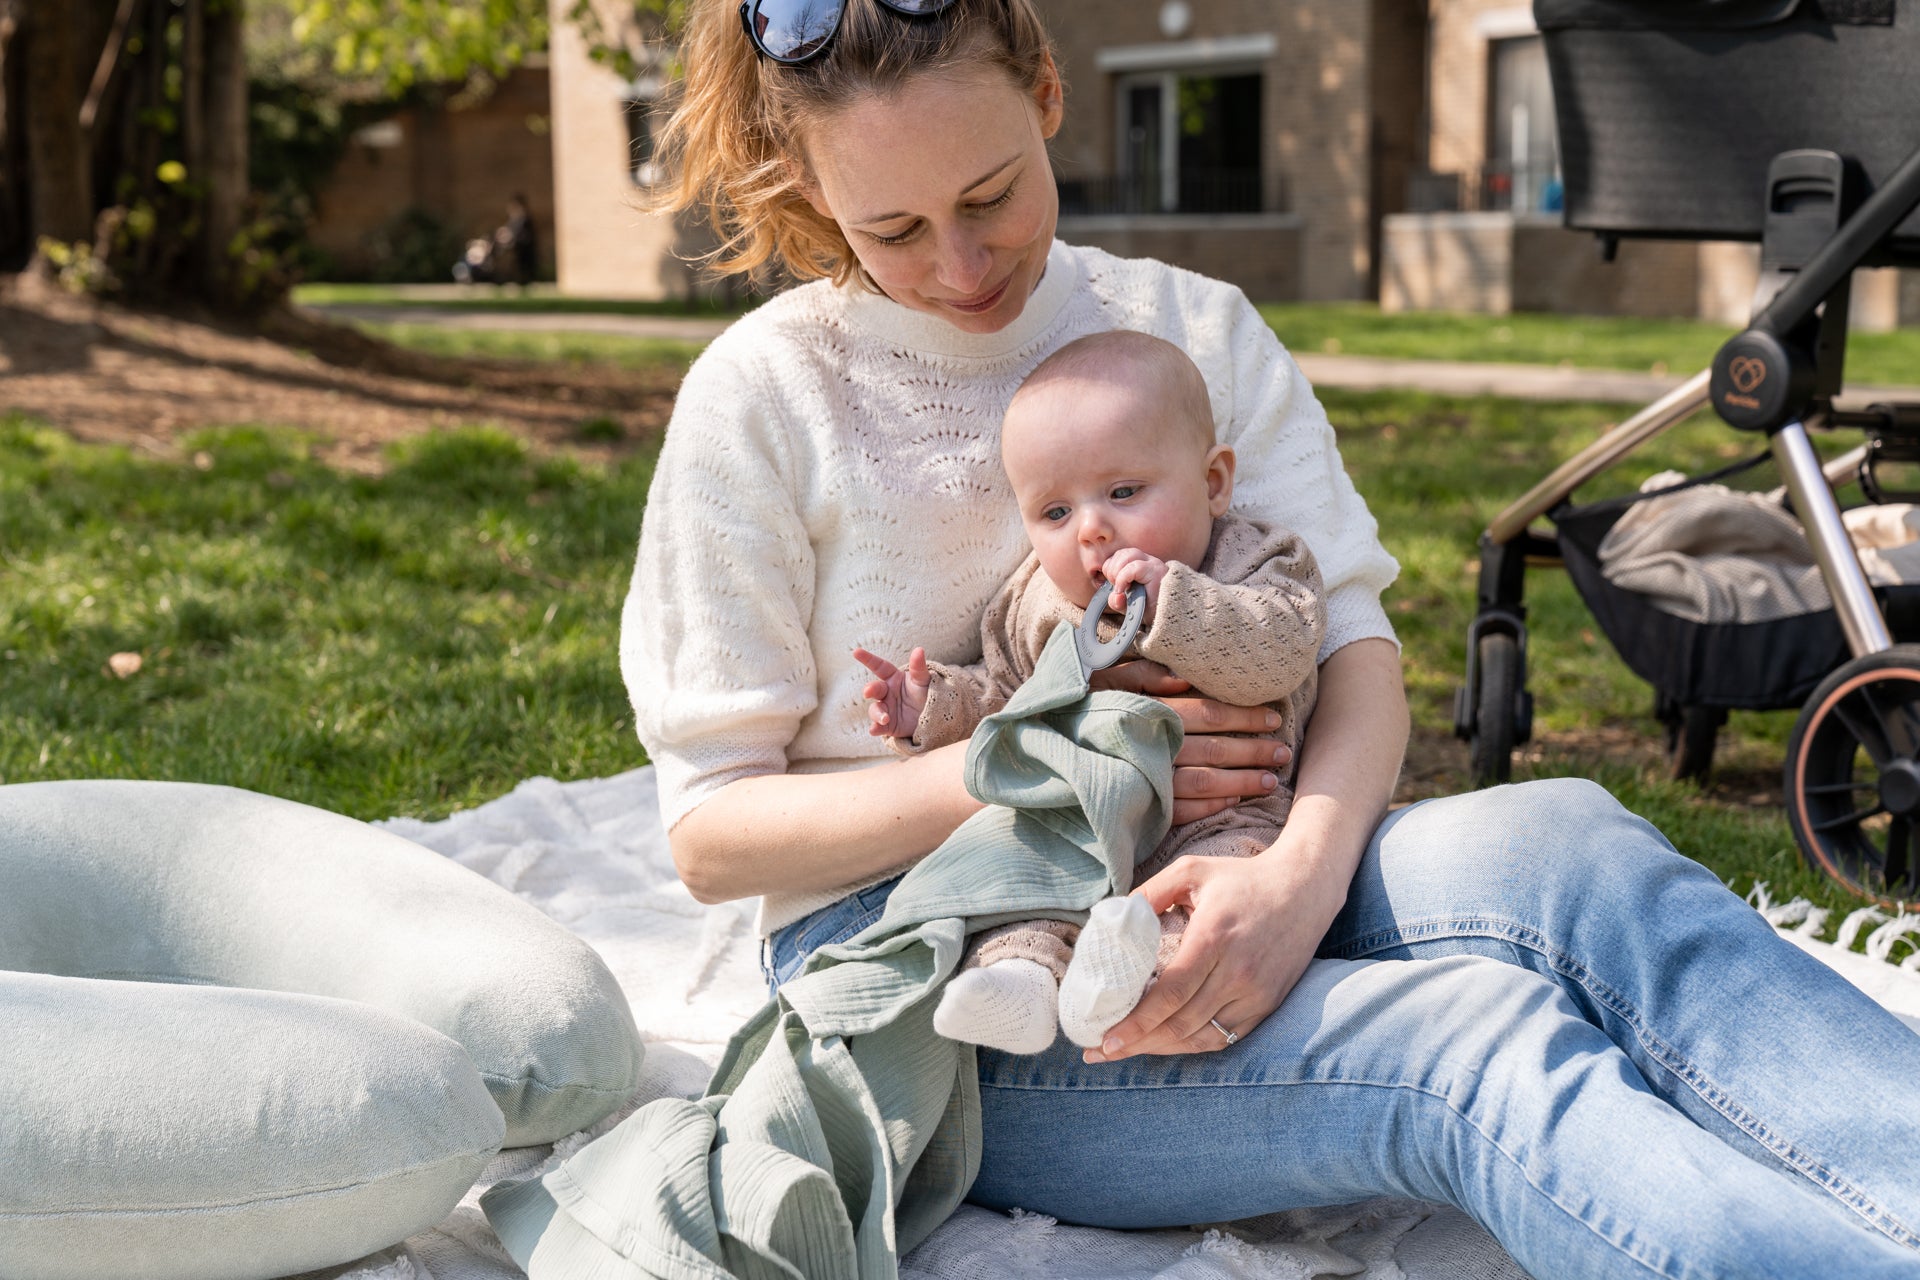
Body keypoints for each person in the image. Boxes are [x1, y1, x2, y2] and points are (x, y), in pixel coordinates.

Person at [622, 0, 1920, 1274]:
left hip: (1226, 858)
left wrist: (1297, 883)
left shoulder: (1188, 331)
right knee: (1466, 1045)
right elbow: (713, 836)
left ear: (1049, 97)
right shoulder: (763, 398)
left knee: (1573, 844)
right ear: (807, 183)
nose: (961, 265)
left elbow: (1355, 650)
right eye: (893, 228)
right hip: (954, 994)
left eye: (993, 194)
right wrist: (1023, 763)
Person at [854, 329, 1326, 1056]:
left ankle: (1135, 973)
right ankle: (1017, 984)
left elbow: (1279, 653)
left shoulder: (1256, 561)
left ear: (1213, 483)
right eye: (1055, 513)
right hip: (1077, 827)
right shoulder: (1036, 605)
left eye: (1124, 492)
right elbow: (1010, 700)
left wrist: (1176, 605)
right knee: (1025, 886)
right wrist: (931, 707)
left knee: (1218, 894)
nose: (1093, 531)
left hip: (1227, 818)